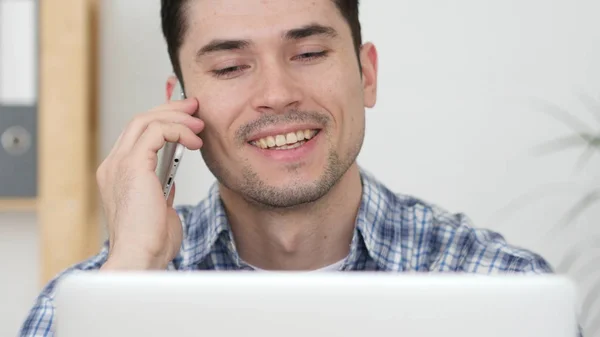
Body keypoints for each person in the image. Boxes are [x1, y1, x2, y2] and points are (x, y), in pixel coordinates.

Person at [19, 0, 556, 336]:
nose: (276, 94)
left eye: (308, 54)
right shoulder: (84, 304)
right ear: (180, 104)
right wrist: (133, 266)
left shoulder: (500, 284)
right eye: (230, 67)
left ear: (366, 74)